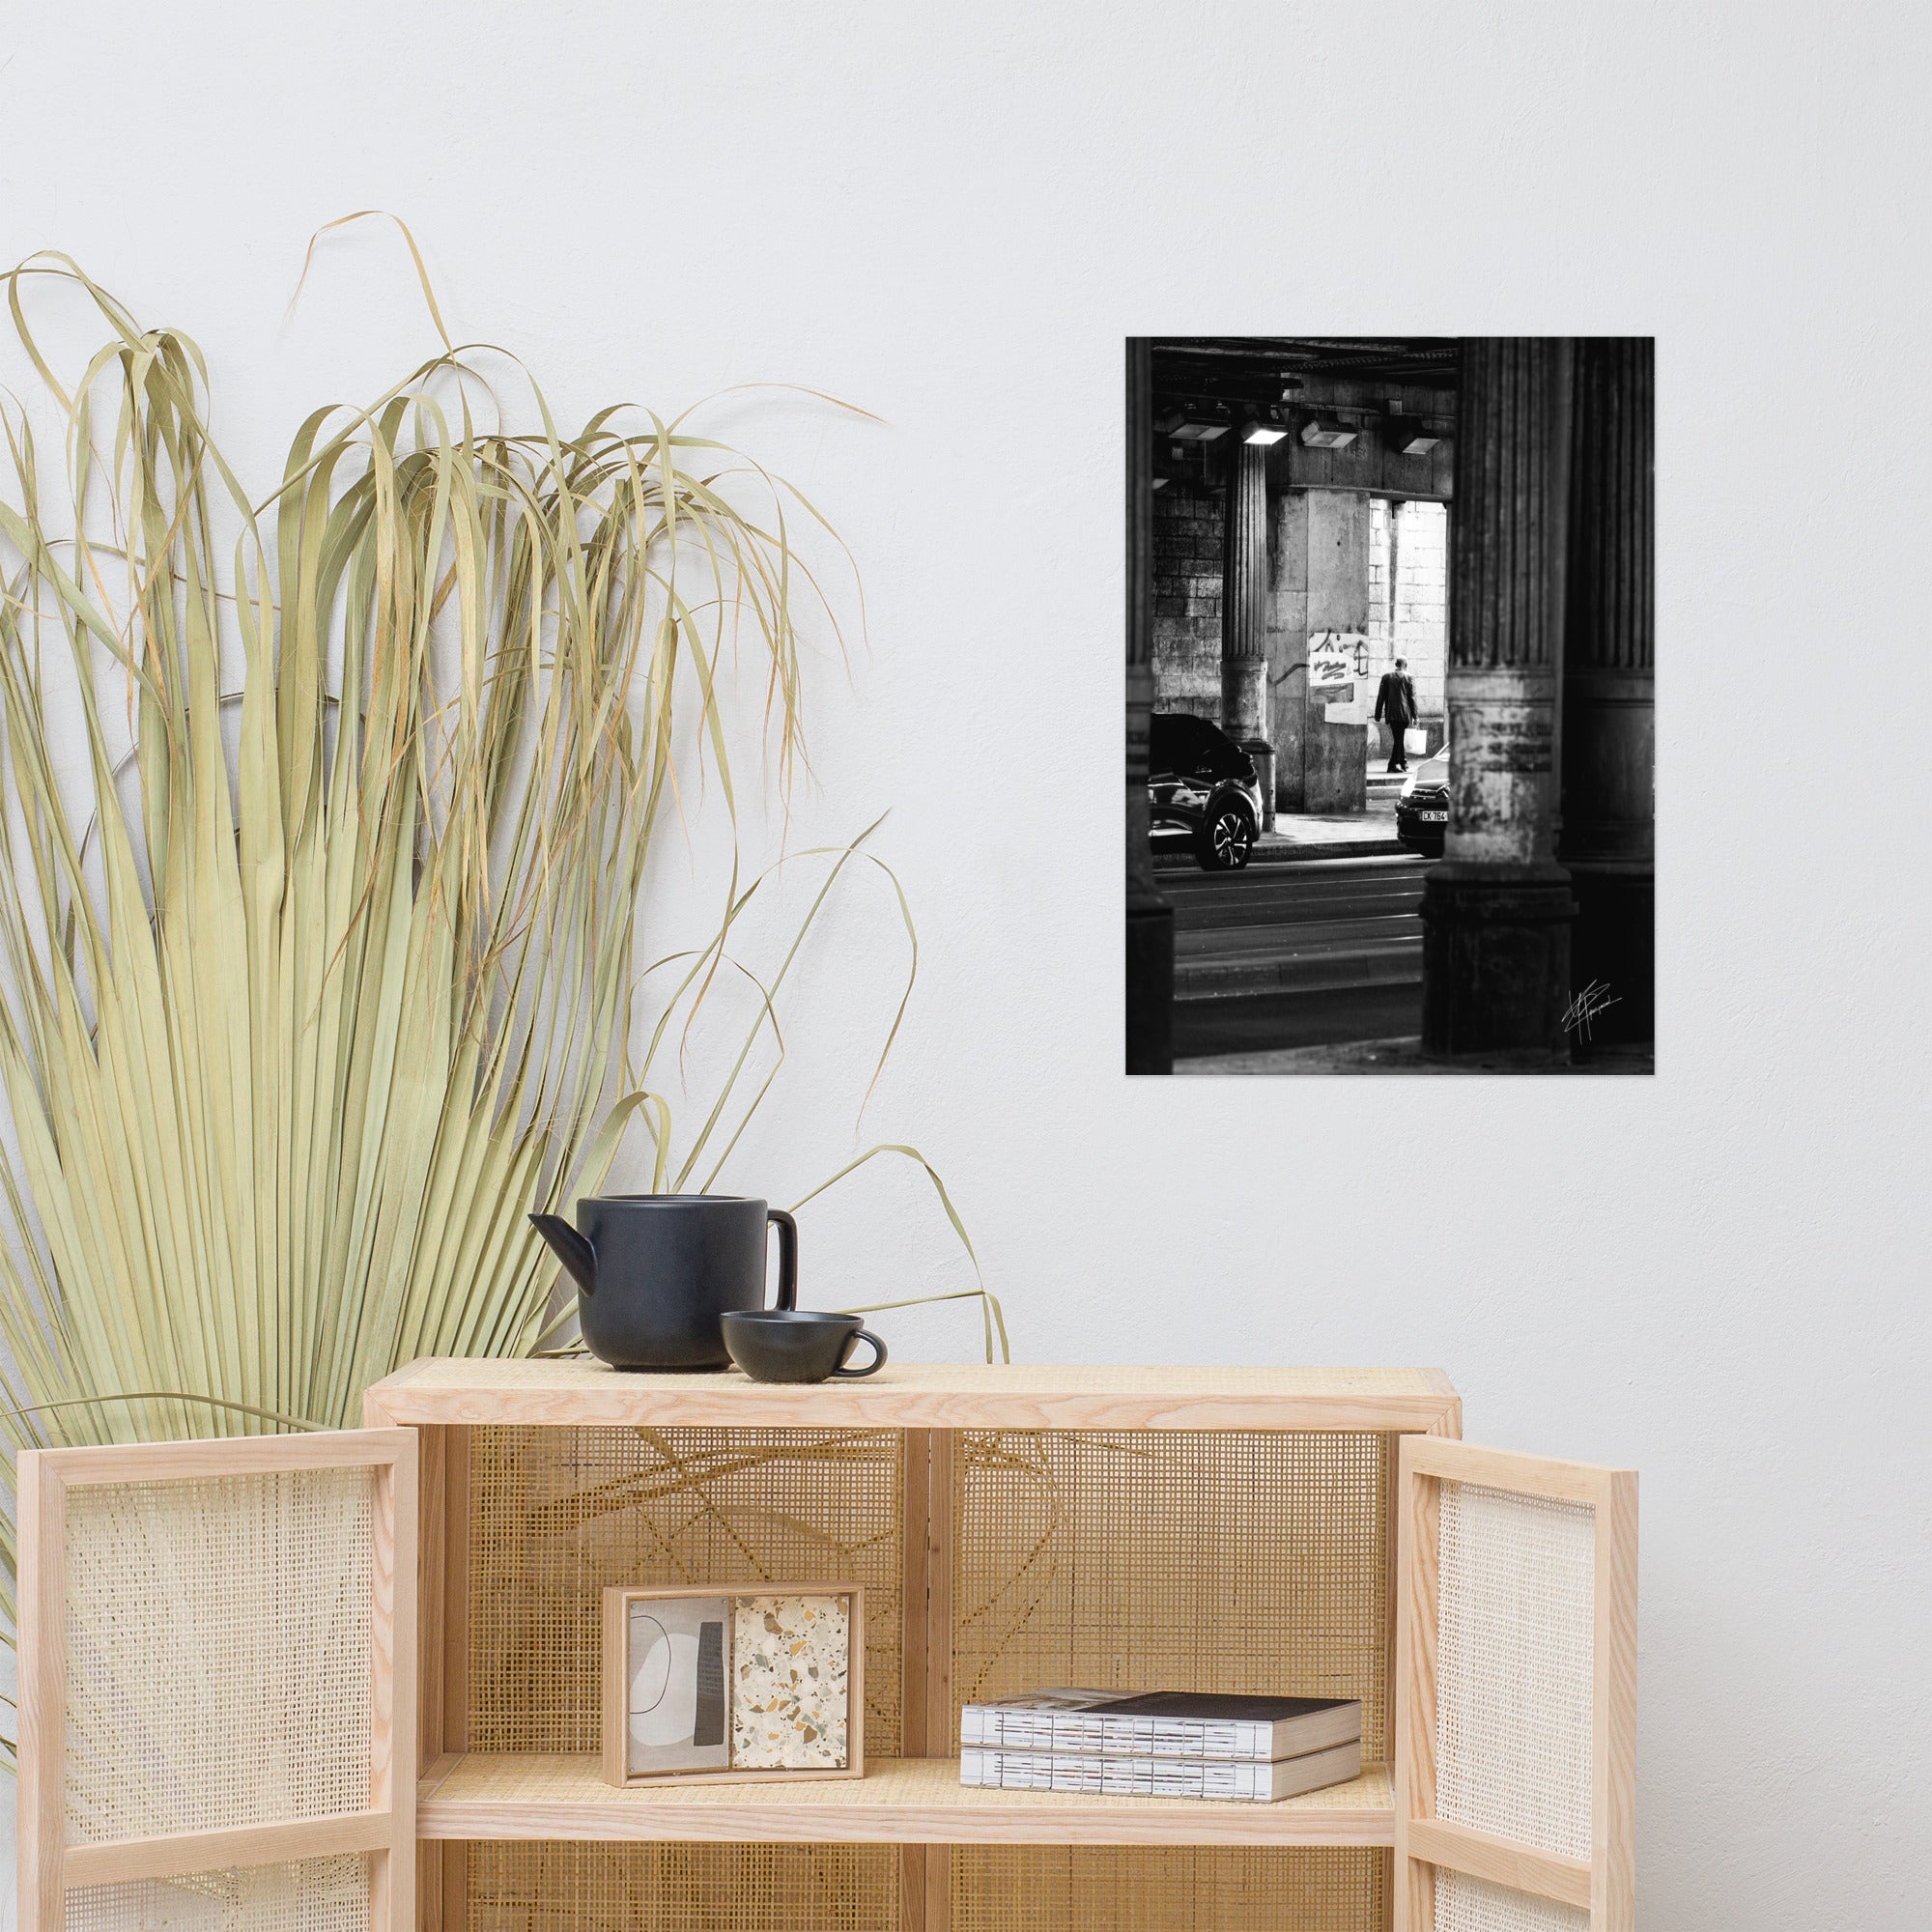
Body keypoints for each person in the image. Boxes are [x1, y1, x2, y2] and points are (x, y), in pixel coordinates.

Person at [1374, 657, 1419, 772]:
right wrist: (1415, 716)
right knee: (1399, 739)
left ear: (1396, 664)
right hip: (1404, 715)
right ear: (1405, 665)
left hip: (1391, 714)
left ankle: (1403, 762)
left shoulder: (1386, 677)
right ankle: (1392, 765)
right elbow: (1412, 699)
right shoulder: (1409, 677)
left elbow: (1381, 697)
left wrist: (1377, 715)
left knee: (1399, 738)